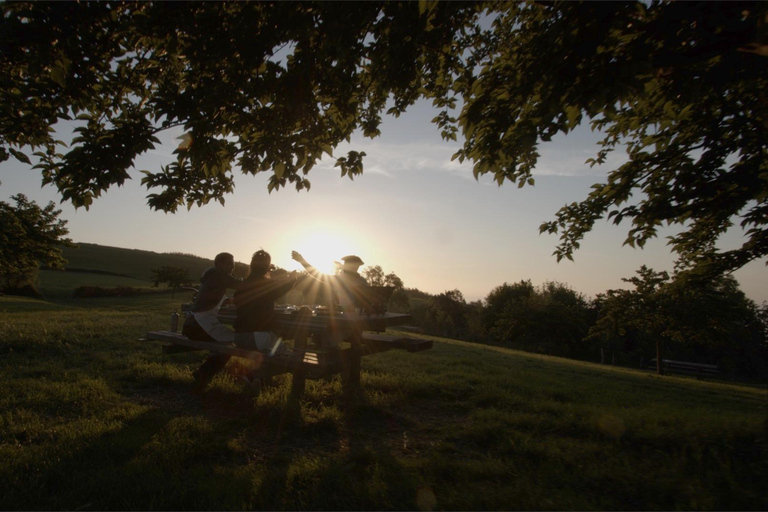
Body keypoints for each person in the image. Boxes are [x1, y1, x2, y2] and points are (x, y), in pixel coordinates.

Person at [181, 252, 245, 386]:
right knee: (231, 343)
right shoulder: (218, 276)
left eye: (233, 266)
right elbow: (241, 285)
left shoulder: (212, 276)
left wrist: (231, 301)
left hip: (193, 324)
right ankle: (204, 374)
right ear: (219, 264)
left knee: (229, 341)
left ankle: (204, 372)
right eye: (229, 265)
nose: (232, 268)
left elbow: (215, 298)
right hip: (199, 325)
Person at [233, 250, 300, 353]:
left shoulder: (243, 284)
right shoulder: (266, 285)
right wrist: (293, 278)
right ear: (266, 267)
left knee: (276, 345)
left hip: (238, 338)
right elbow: (285, 286)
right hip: (257, 338)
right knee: (286, 354)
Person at [291, 251, 368, 313]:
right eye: (354, 265)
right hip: (342, 315)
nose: (356, 268)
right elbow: (316, 274)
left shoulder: (362, 281)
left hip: (358, 316)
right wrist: (302, 261)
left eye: (357, 266)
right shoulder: (339, 279)